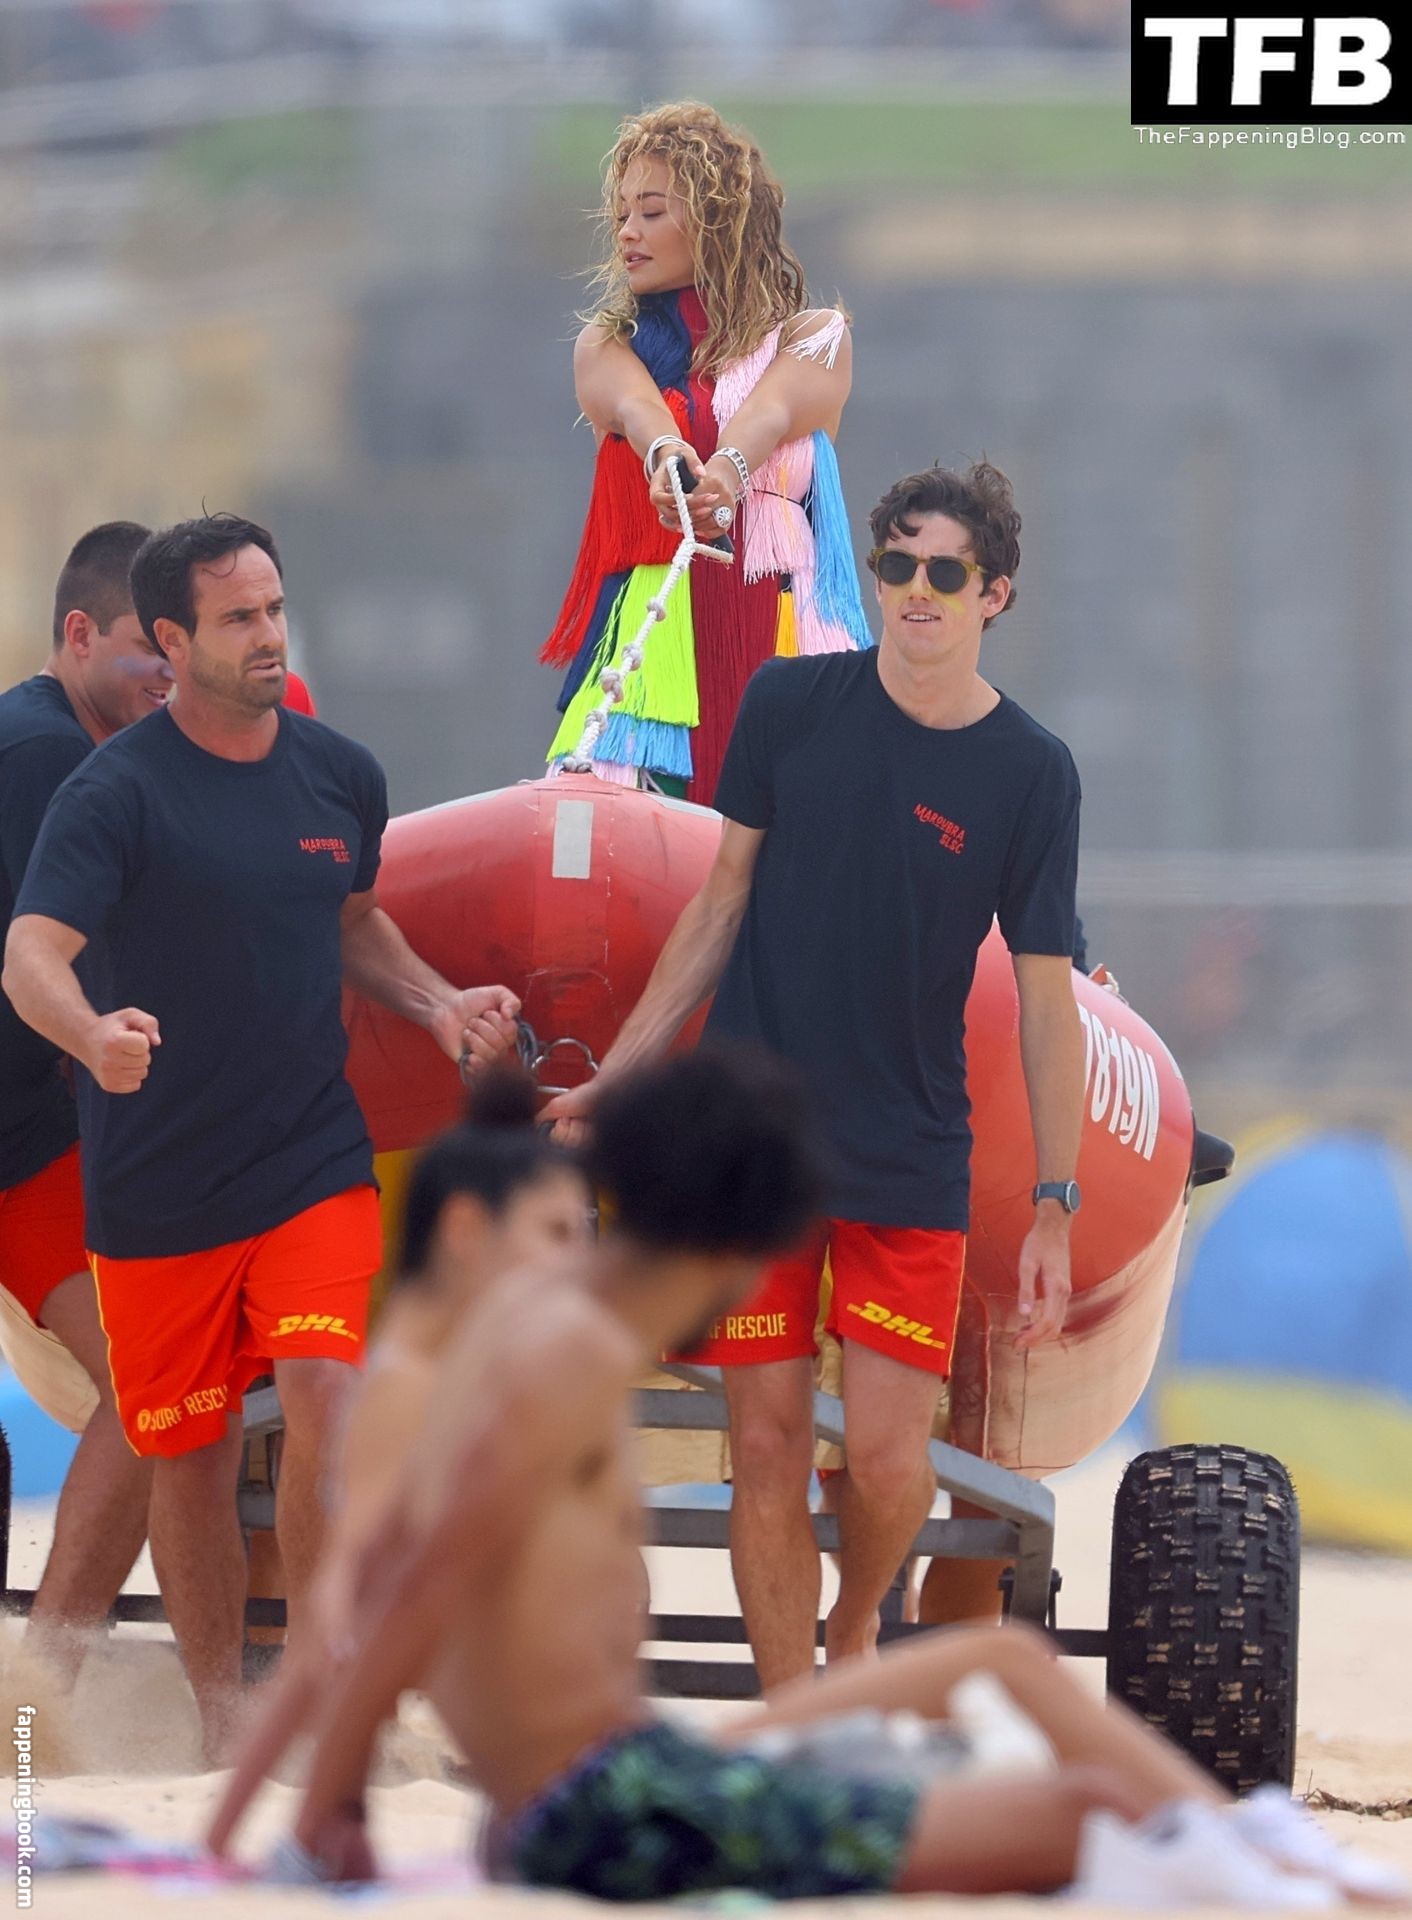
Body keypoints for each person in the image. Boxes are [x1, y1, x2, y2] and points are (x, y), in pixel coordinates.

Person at [211, 1050, 1396, 1910]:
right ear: (742, 1247)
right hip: (607, 1816)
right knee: (1073, 1811)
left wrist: (300, 1806)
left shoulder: (546, 1337)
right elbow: (416, 1585)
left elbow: (398, 1586)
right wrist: (327, 1818)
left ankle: (1263, 1848)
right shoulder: (559, 1354)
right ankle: (1280, 1869)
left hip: (631, 1775)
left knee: (1004, 1668)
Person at [540, 461, 1086, 1689]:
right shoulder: (788, 703)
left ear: (993, 593)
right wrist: (618, 1076)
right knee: (767, 1447)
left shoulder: (1029, 771)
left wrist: (1055, 1202)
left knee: (888, 1468)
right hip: (756, 1152)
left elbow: (1045, 1000)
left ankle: (854, 1630)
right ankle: (796, 1707)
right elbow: (716, 904)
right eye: (894, 564)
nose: (915, 590)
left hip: (907, 1149)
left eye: (943, 571)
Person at [2, 512, 520, 1760]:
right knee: (189, 1457)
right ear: (172, 641)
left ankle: (328, 1691)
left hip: (308, 1160)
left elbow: (353, 920)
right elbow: (30, 955)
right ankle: (222, 1718)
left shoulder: (341, 775)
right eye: (238, 618)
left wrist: (437, 1004)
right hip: (155, 1182)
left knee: (326, 1387)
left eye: (276, 609)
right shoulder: (106, 791)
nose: (269, 636)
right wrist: (90, 1034)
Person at [541, 99, 870, 805]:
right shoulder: (606, 346)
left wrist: (726, 470)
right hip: (655, 643)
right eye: (621, 214)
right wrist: (669, 458)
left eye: (652, 211)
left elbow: (771, 411)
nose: (627, 232)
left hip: (775, 632)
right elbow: (641, 411)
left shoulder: (814, 337)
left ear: (718, 219)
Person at [0, 520, 171, 1677]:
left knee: (151, 1381)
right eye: (146, 653)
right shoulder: (46, 757)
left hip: (26, 1135)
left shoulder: (60, 743)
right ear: (77, 634)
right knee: (153, 1384)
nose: (167, 678)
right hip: (25, 1133)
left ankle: (41, 1683)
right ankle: (46, 1675)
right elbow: (79, 962)